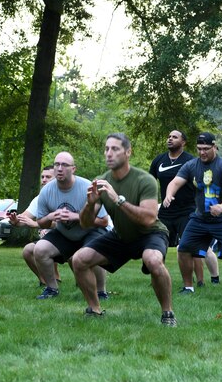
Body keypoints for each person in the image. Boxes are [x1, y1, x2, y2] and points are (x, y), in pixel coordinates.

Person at [72, 133, 176, 326]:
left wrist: (117, 199)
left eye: (115, 149)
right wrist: (89, 204)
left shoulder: (145, 180)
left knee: (153, 261)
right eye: (106, 149)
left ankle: (167, 313)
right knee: (79, 259)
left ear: (128, 152)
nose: (109, 154)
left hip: (150, 233)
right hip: (121, 236)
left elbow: (149, 218)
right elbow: (86, 223)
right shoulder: (101, 181)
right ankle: (94, 309)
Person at [165, 132, 222, 298]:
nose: (202, 152)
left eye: (206, 149)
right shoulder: (192, 165)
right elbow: (175, 182)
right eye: (199, 149)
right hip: (200, 218)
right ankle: (188, 287)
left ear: (214, 147)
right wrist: (169, 194)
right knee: (183, 248)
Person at [32, 151, 111, 300]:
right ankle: (51, 289)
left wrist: (77, 217)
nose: (60, 168)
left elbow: (104, 221)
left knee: (94, 251)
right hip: (64, 233)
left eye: (64, 165)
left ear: (73, 169)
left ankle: (101, 292)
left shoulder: (87, 187)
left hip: (90, 231)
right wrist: (51, 216)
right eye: (57, 164)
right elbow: (40, 222)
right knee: (40, 249)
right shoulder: (46, 191)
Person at [150, 130, 219, 285]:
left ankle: (203, 280)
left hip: (187, 210)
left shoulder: (191, 161)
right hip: (166, 211)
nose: (170, 139)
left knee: (193, 246)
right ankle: (157, 277)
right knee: (157, 244)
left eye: (174, 137)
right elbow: (150, 183)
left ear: (183, 142)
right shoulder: (159, 160)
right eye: (169, 136)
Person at [12, 166, 60, 287]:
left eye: (48, 177)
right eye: (42, 177)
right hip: (50, 238)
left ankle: (81, 282)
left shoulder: (63, 195)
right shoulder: (39, 199)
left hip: (68, 237)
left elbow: (61, 224)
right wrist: (15, 221)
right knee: (28, 250)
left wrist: (36, 224)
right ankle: (44, 280)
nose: (44, 180)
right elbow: (23, 218)